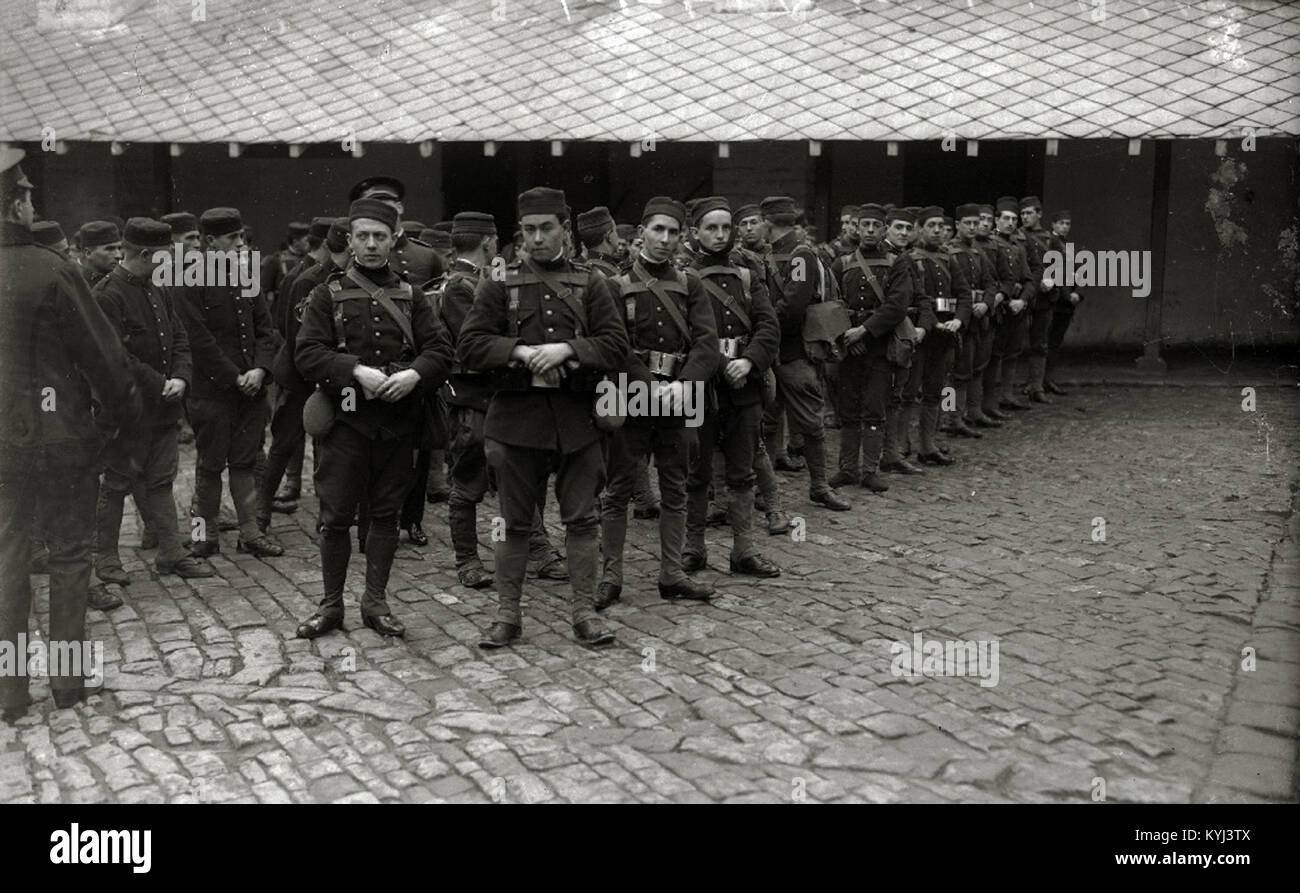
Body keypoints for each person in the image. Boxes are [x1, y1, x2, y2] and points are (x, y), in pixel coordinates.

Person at [458, 186, 629, 648]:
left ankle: (584, 612)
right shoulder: (499, 282)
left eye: (546, 228)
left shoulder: (591, 282)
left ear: (564, 231)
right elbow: (469, 345)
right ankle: (507, 615)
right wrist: (516, 350)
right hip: (517, 419)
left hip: (577, 420)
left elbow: (616, 346)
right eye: (529, 230)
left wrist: (568, 349)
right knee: (513, 523)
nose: (537, 238)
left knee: (581, 519)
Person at [0, 148, 139, 719]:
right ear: (16, 201)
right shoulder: (55, 268)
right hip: (61, 441)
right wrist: (114, 425)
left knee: (6, 557)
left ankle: (7, 693)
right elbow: (108, 364)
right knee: (70, 556)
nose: (33, 202)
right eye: (28, 193)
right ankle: (68, 684)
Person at [294, 198, 453, 639]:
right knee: (335, 517)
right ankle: (330, 606)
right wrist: (355, 371)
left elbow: (441, 351)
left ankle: (375, 603)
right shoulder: (327, 294)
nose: (369, 244)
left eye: (379, 236)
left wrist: (414, 375)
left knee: (386, 515)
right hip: (345, 424)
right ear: (349, 239)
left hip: (397, 424)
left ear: (393, 239)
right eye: (361, 236)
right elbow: (307, 353)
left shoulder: (412, 295)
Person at [598, 197, 720, 609]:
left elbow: (707, 343)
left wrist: (685, 385)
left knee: (676, 486)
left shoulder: (691, 284)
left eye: (673, 233)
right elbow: (614, 345)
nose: (665, 240)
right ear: (640, 235)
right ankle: (610, 575)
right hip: (628, 389)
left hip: (682, 394)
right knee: (617, 489)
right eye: (657, 231)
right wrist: (651, 386)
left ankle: (672, 574)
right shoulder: (613, 286)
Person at [91, 217, 214, 592]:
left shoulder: (158, 287)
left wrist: (182, 376)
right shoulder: (106, 296)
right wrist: (163, 383)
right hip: (126, 413)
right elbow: (115, 357)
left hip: (163, 408)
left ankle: (171, 552)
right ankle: (107, 559)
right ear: (144, 254)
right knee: (115, 485)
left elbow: (179, 336)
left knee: (161, 480)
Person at [174, 207, 284, 559]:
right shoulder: (190, 277)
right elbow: (197, 338)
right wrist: (233, 377)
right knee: (208, 466)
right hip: (212, 392)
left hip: (249, 390)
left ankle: (250, 534)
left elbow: (265, 330)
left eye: (241, 237)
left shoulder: (245, 271)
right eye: (232, 238)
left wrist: (261, 371)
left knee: (245, 462)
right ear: (209, 242)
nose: (241, 244)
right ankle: (202, 536)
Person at [683, 196, 782, 578]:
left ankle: (744, 552)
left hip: (744, 386)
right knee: (697, 471)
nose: (721, 235)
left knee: (743, 471)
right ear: (696, 233)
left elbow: (768, 325)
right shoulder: (683, 277)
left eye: (727, 227)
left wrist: (750, 361)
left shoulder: (747, 274)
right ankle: (693, 549)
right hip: (702, 386)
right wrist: (725, 364)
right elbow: (688, 334)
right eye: (712, 228)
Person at [760, 195, 851, 510]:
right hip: (772, 355)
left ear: (768, 223)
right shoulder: (770, 253)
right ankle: (765, 491)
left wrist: (763, 327)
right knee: (769, 423)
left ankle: (820, 486)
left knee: (811, 423)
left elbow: (794, 307)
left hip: (795, 353)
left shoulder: (800, 255)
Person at [830, 203, 911, 491]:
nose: (870, 231)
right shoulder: (841, 263)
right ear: (856, 227)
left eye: (876, 226)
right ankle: (848, 469)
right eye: (864, 225)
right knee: (848, 408)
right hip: (849, 348)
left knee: (875, 408)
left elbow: (896, 306)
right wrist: (846, 337)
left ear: (884, 230)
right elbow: (830, 305)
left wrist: (864, 331)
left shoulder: (897, 262)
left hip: (879, 348)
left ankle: (870, 471)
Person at [1044, 209, 1081, 394]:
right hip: (1055, 300)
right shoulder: (1051, 243)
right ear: (1053, 225)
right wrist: (1068, 295)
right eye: (1061, 223)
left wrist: (1077, 293)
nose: (1065, 227)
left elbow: (1073, 273)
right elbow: (1054, 273)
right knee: (1048, 341)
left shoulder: (1067, 245)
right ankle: (1041, 381)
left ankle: (1048, 379)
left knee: (1055, 341)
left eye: (1067, 223)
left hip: (1066, 302)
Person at [75, 220, 122, 288]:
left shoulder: (121, 283)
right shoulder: (75, 285)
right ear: (88, 253)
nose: (118, 255)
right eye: (110, 249)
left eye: (119, 248)